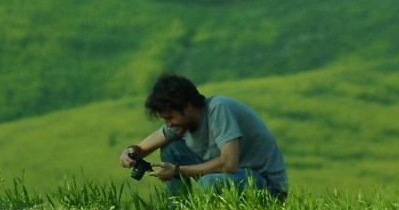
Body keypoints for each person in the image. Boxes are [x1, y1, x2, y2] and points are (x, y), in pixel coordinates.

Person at [118, 73, 287, 200]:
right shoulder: (181, 122)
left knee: (209, 183)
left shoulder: (218, 109)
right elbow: (143, 147)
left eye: (170, 117)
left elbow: (229, 163)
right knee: (171, 149)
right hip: (232, 176)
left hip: (267, 186)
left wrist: (177, 170)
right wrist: (130, 152)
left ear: (187, 107)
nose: (168, 124)